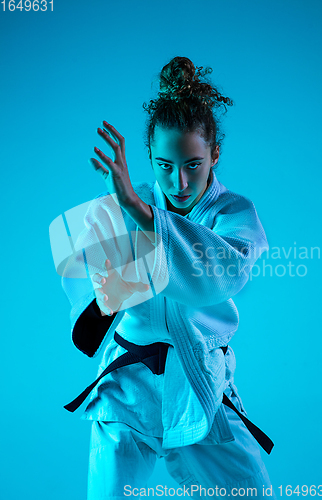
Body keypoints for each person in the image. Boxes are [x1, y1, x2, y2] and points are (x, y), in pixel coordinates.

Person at [61, 56, 276, 499]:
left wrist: (143, 218)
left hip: (198, 377)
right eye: (164, 165)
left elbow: (220, 277)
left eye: (193, 164)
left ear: (215, 154)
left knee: (251, 492)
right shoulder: (126, 201)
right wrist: (120, 221)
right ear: (148, 158)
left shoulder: (234, 214)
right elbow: (81, 276)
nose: (178, 181)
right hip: (128, 384)